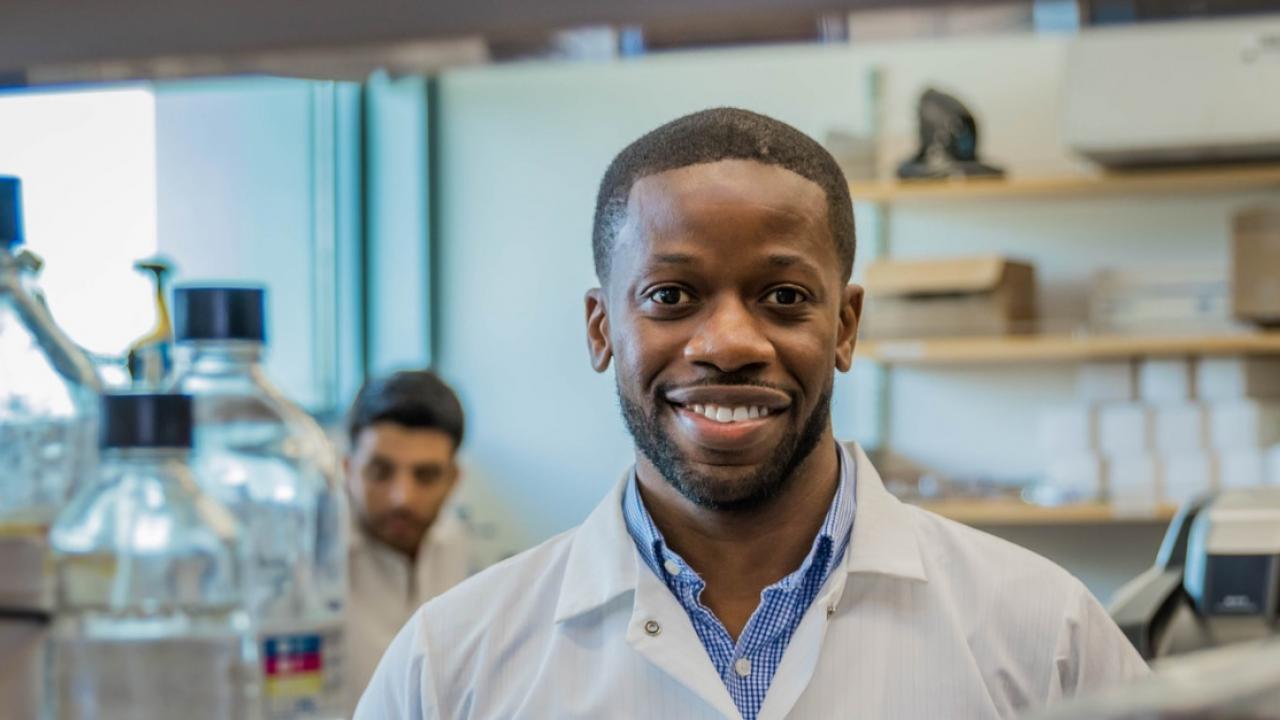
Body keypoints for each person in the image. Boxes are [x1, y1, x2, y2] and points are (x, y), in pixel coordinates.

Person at [356, 108, 1149, 719]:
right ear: (601, 330)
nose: (730, 344)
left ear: (845, 326)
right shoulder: (451, 664)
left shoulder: (1043, 636)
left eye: (785, 296)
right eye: (671, 295)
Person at [343, 370, 471, 715]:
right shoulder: (304, 562)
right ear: (347, 468)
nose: (403, 497)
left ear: (453, 479)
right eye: (380, 472)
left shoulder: (460, 547)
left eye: (426, 476)